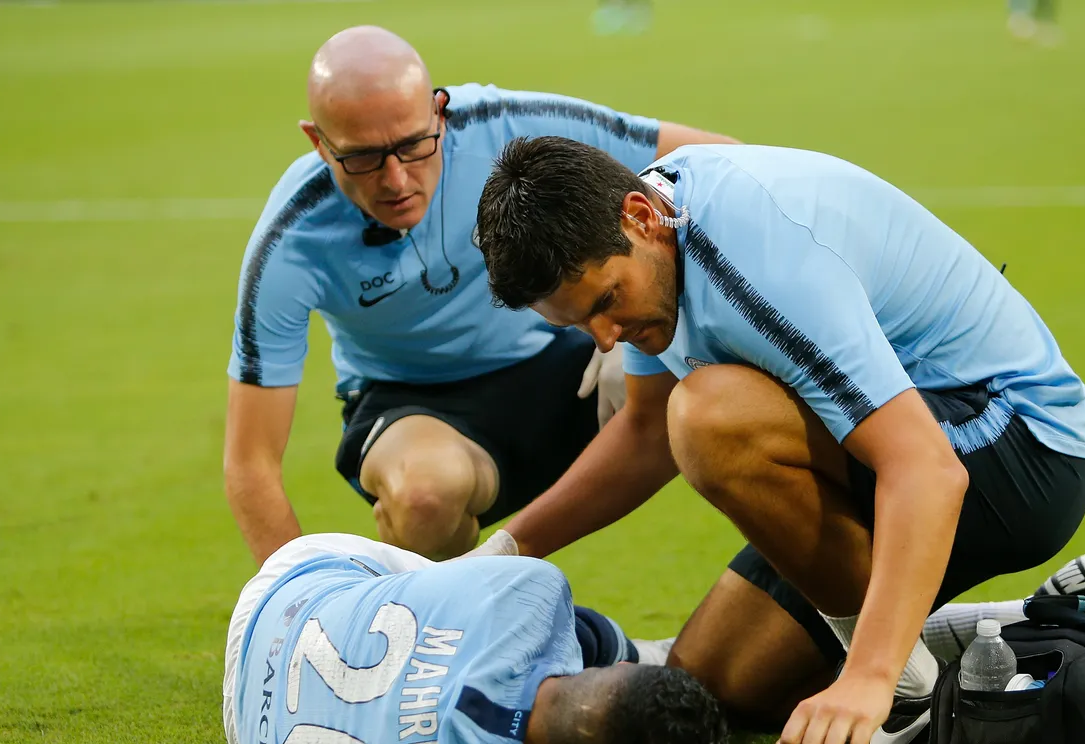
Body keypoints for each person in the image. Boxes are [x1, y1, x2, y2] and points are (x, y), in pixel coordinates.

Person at [471, 138, 1085, 744]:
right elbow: (642, 434)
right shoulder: (647, 237)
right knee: (721, 681)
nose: (605, 338)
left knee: (708, 416)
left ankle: (909, 695)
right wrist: (497, 554)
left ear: (640, 217)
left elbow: (926, 469)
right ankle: (1027, 623)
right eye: (578, 323)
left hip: (1015, 442)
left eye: (607, 303)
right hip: (902, 447)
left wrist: (870, 680)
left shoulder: (753, 256)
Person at [224, 26, 738, 565]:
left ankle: (808, 615)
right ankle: (431, 637)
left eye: (413, 145)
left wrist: (645, 334)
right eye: (363, 158)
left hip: (567, 364)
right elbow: (251, 463)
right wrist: (294, 611)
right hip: (412, 403)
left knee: (727, 394)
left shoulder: (506, 126)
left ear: (439, 111)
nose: (396, 179)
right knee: (425, 495)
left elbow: (714, 164)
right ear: (318, 143)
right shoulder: (292, 238)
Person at [221, 533, 731, 744]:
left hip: (285, 597)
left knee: (462, 599)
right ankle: (648, 652)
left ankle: (645, 653)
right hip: (248, 735)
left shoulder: (531, 589)